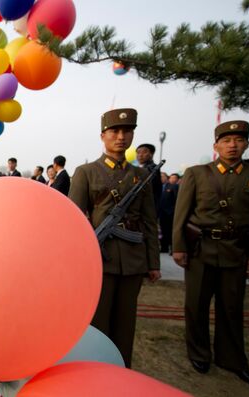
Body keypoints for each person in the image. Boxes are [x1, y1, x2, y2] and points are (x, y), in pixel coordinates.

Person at [172, 120, 249, 387]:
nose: (232, 145)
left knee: (231, 307)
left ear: (247, 144)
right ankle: (199, 353)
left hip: (236, 252)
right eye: (226, 141)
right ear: (216, 145)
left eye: (238, 140)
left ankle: (231, 359)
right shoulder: (197, 173)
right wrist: (179, 247)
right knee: (196, 305)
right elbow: (181, 214)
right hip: (200, 250)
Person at [69, 108, 161, 368]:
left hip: (133, 259)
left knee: (125, 322)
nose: (121, 137)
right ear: (103, 136)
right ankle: (96, 369)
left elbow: (149, 221)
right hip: (99, 260)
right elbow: (75, 220)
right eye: (115, 131)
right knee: (98, 321)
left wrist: (153, 262)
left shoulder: (142, 175)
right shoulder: (86, 172)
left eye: (127, 131)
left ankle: (122, 369)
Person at [136, 143, 162, 215]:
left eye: (144, 152)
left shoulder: (152, 168)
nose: (140, 155)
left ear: (151, 154)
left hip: (148, 208)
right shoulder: (138, 168)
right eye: (138, 152)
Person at [159, 175, 179, 253]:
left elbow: (177, 199)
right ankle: (164, 247)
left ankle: (173, 248)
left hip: (170, 213)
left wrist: (173, 210)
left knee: (171, 231)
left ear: (167, 178)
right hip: (161, 213)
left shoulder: (174, 186)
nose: (161, 178)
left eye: (163, 176)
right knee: (163, 230)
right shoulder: (159, 187)